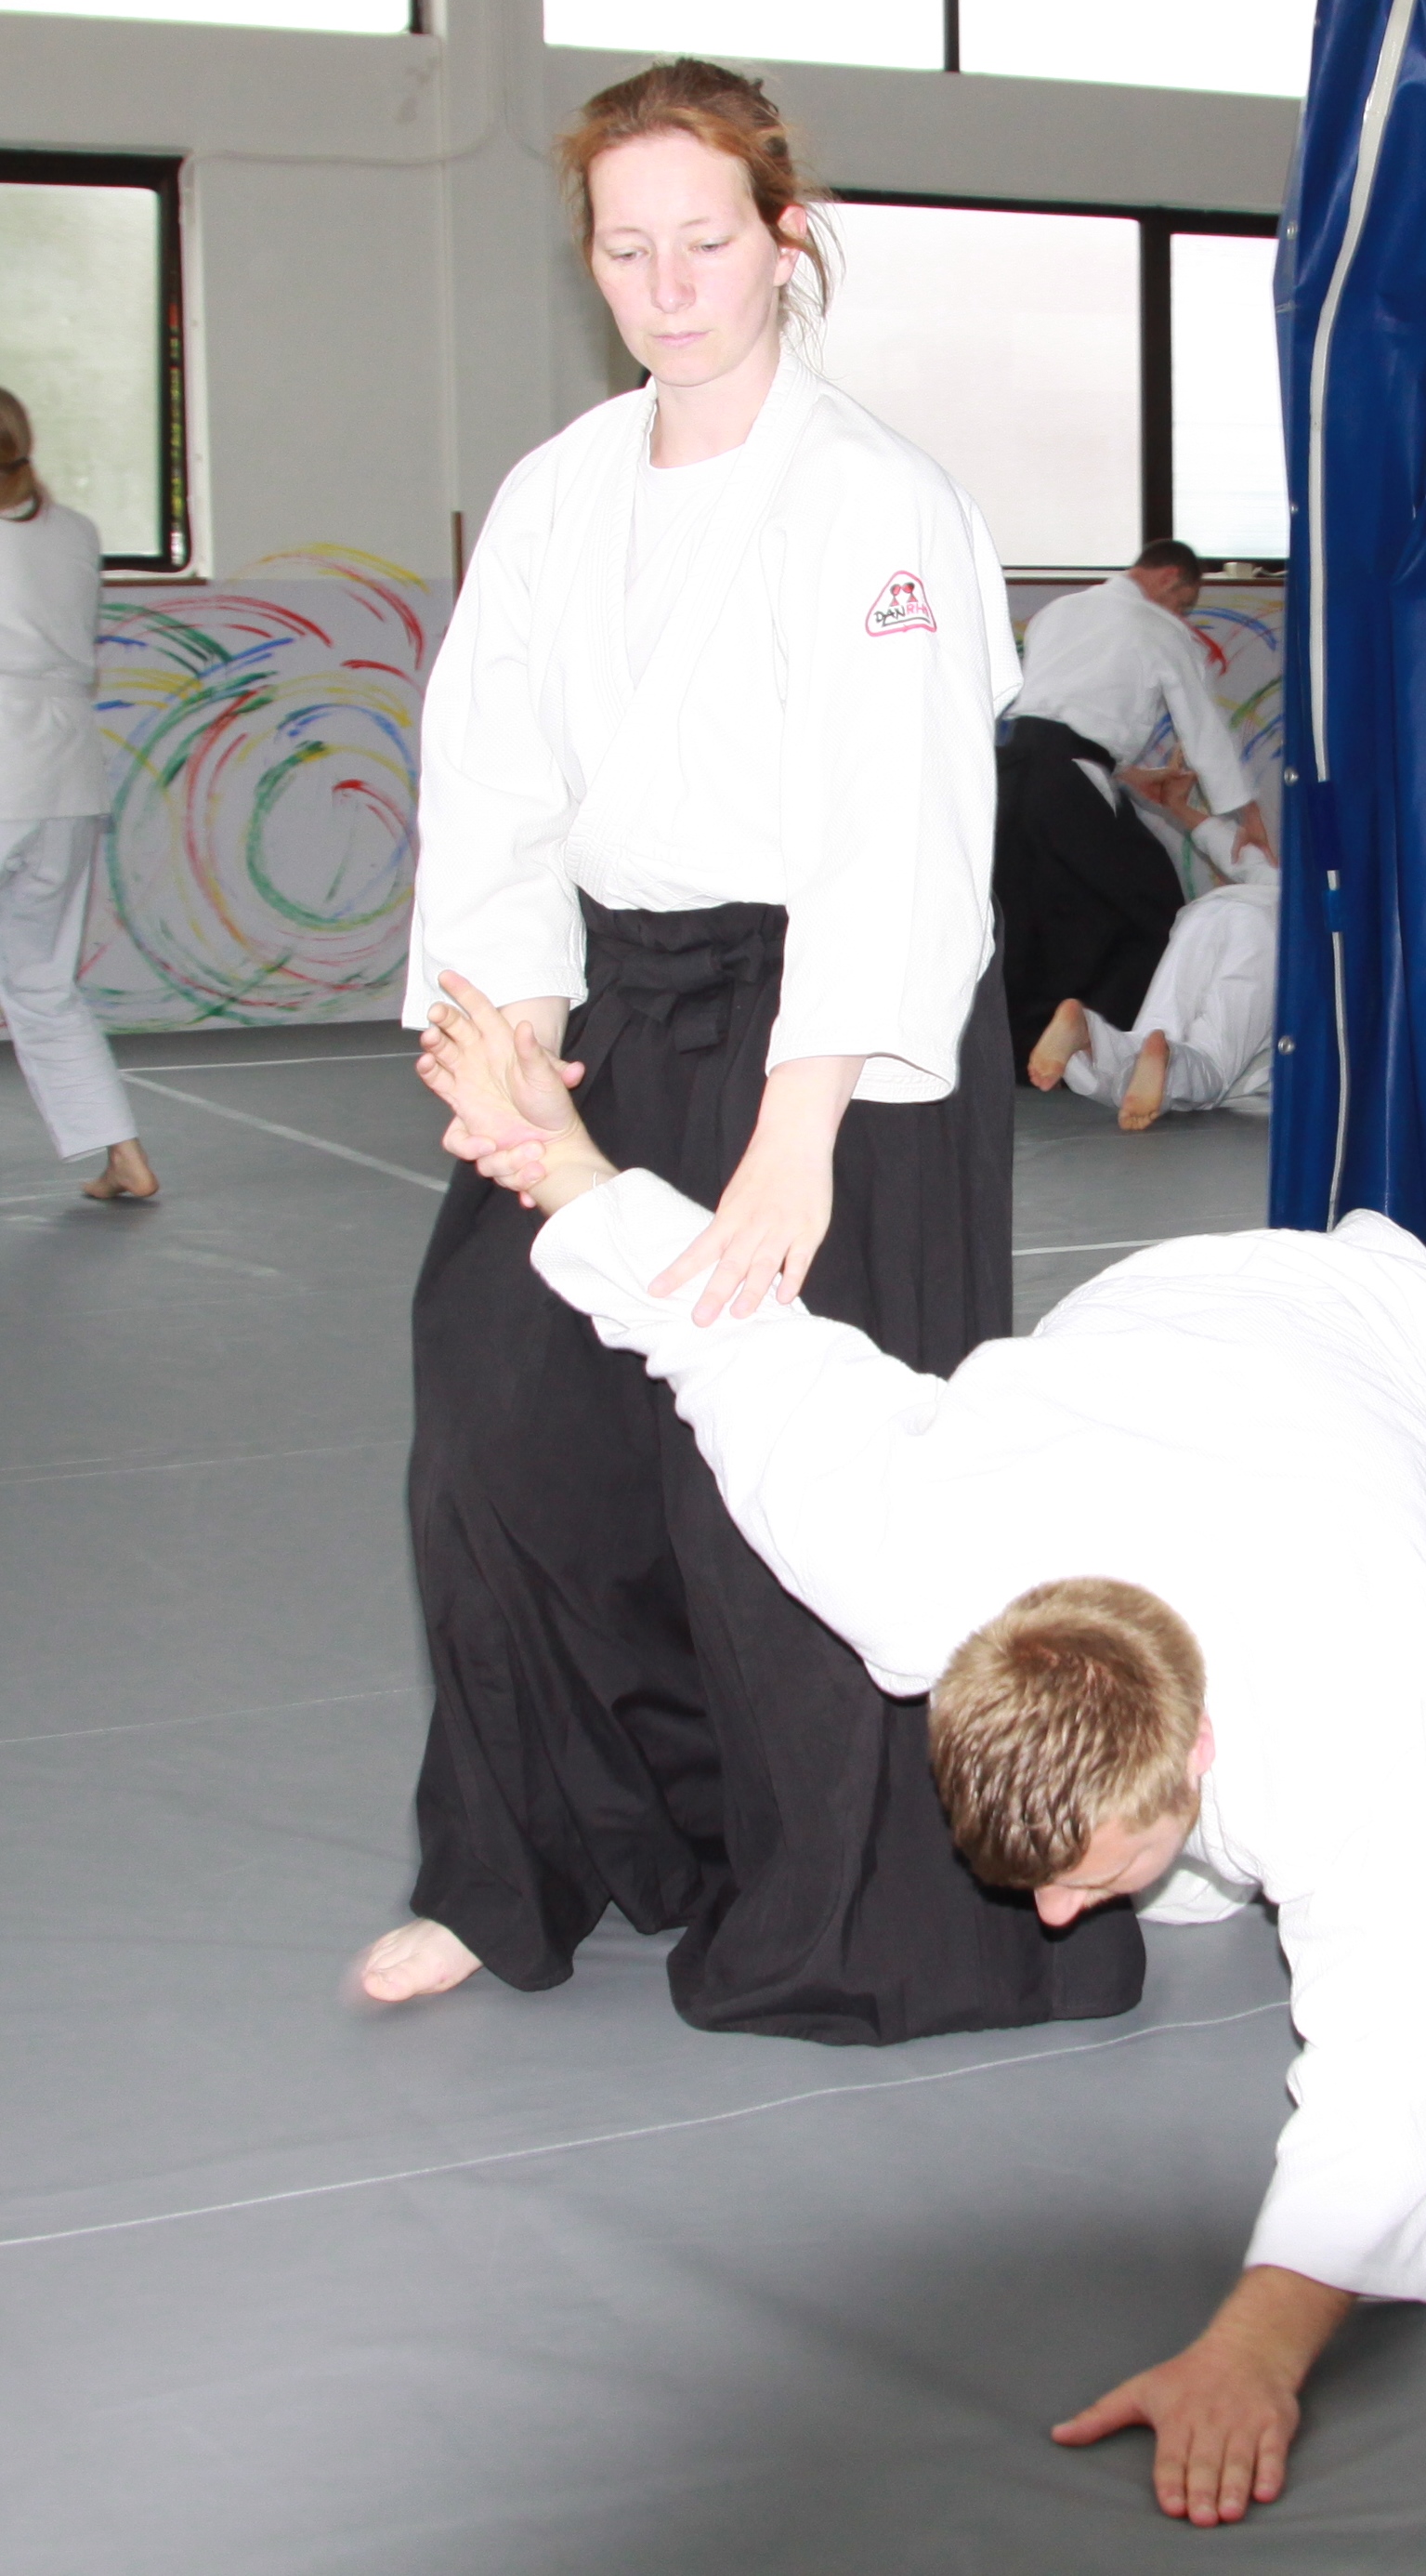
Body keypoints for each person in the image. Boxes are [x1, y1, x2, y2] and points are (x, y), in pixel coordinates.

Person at [413, 977, 1426, 2530]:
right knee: (1212, 1880)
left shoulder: (1357, 1694)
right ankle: (1189, 1862)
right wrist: (556, 1153)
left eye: (1076, 1879)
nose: (1044, 1919)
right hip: (1162, 1316)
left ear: (1198, 1745)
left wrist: (1253, 2350)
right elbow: (729, 1335)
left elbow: (1393, 2063)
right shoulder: (908, 1559)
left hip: (1414, 1366)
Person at [358, 59, 1142, 2040]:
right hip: (615, 1006)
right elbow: (494, 785)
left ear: (784, 240)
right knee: (499, 1427)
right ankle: (524, 1861)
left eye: (703, 241)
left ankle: (858, 1895)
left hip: (838, 1044)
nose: (667, 284)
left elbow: (893, 840)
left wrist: (797, 1139)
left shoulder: (872, 498)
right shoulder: (558, 492)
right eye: (625, 249)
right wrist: (510, 1037)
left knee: (807, 1478)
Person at [994, 541, 1274, 1071]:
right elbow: (1201, 725)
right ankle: (1121, 1047)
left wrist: (1125, 774)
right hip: (1068, 778)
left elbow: (1058, 713)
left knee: (1030, 910)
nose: (1181, 616)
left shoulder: (1059, 611)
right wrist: (1246, 813)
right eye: (1184, 604)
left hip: (1010, 775)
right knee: (1152, 905)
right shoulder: (1158, 627)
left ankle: (1024, 1049)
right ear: (1170, 579)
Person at [0, 390, 158, 1203]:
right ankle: (122, 1156)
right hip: (62, 778)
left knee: (40, 984)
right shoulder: (77, 532)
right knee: (44, 984)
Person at [1028, 766, 1279, 1130]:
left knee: (1155, 1034)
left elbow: (1240, 854)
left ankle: (1088, 1035)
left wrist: (1178, 805)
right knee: (1214, 1062)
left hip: (1212, 913)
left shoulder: (1300, 880)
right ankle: (1164, 1061)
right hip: (1265, 932)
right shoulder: (1345, 923)